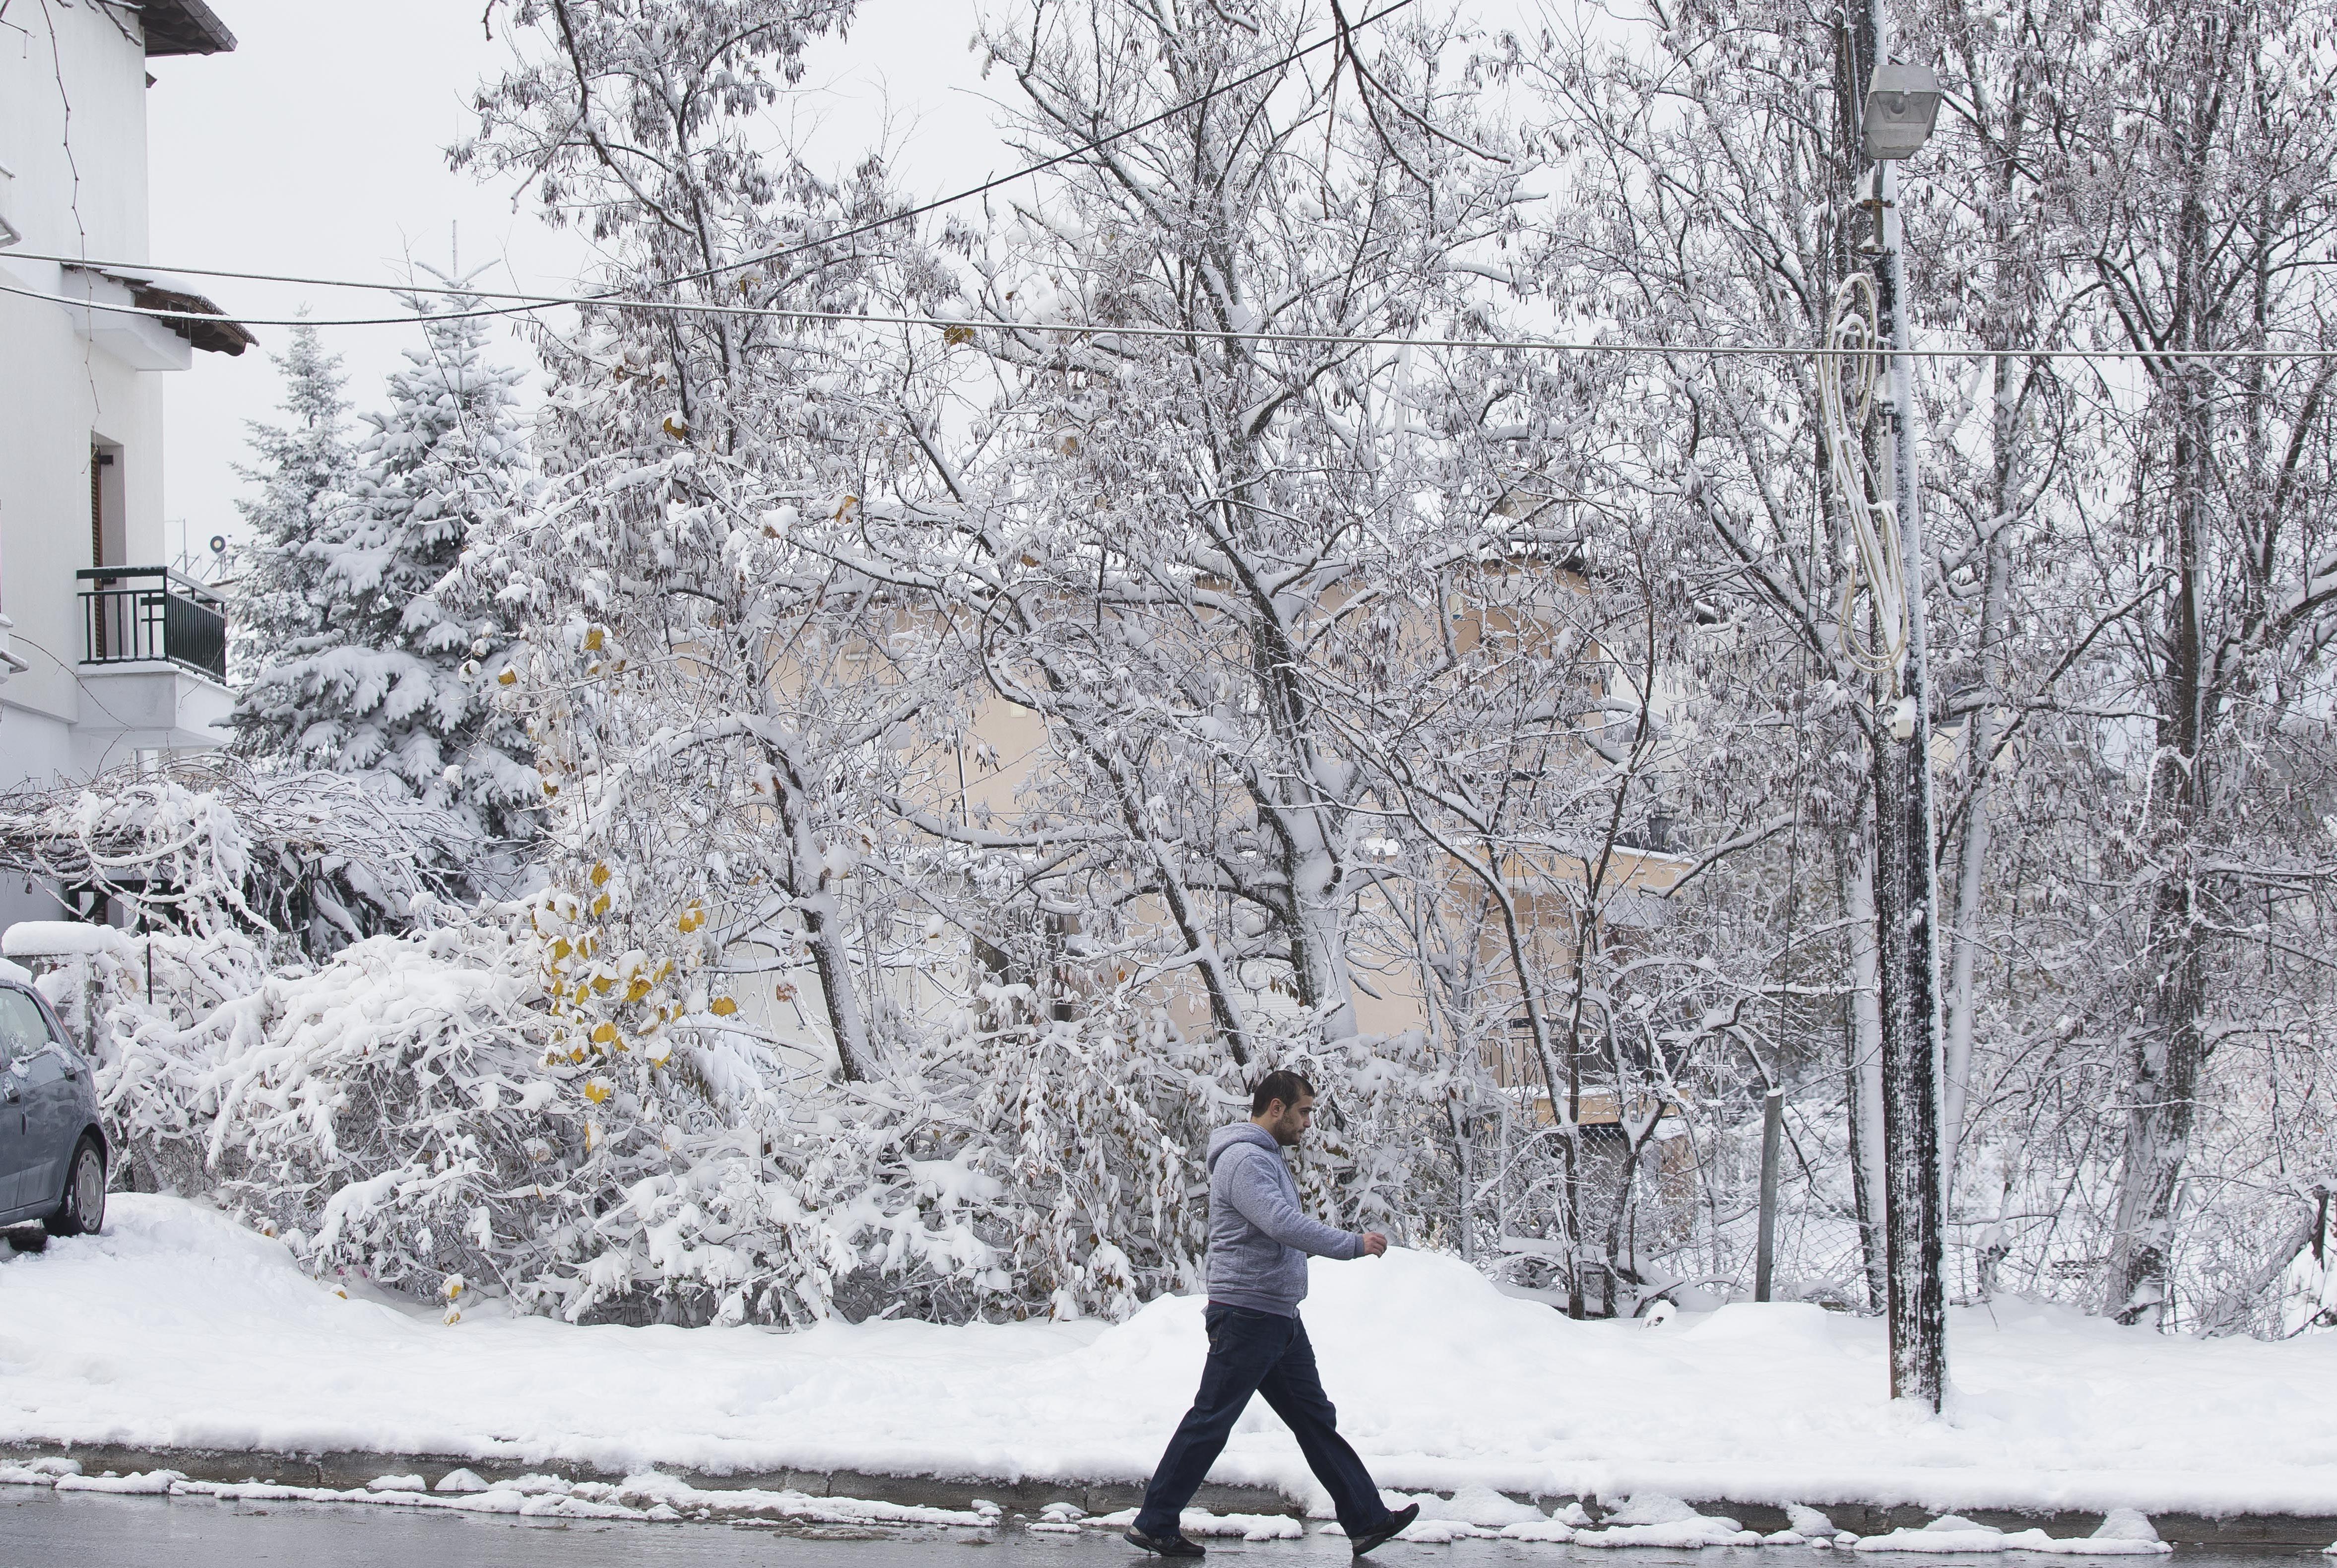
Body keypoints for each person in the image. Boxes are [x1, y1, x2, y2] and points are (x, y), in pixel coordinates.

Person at [1126, 1070, 1419, 1560]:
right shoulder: (1244, 1160)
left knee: (1314, 1418)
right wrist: (1352, 1244)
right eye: (1303, 1111)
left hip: (1276, 1316)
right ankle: (1154, 1521)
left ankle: (1366, 1520)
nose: (1308, 1122)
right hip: (1247, 1316)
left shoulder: (1266, 1158)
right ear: (1277, 1108)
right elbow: (1282, 1223)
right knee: (1211, 1421)